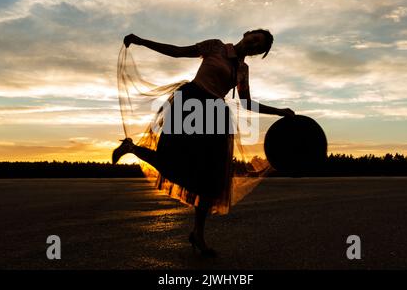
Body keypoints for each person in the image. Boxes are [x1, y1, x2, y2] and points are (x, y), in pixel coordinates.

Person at [112, 29, 295, 257]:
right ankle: (131, 148)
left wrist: (279, 112)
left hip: (215, 115)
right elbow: (178, 52)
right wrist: (141, 41)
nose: (254, 45)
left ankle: (198, 234)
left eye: (259, 47)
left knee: (210, 178)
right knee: (171, 161)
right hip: (190, 103)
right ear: (247, 33)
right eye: (255, 38)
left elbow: (247, 103)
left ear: (258, 53)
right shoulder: (215, 46)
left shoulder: (242, 70)